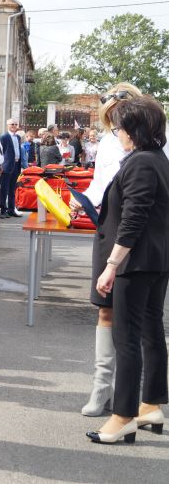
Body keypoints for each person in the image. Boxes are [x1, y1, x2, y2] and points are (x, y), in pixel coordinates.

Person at [87, 96, 169, 444]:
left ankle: (123, 416)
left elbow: (133, 219)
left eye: (120, 127)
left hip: (135, 263)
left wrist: (111, 265)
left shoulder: (141, 163)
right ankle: (150, 404)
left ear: (134, 129)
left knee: (127, 338)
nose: (117, 133)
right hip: (154, 260)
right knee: (150, 330)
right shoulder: (157, 159)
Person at [73, 84, 144, 417]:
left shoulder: (157, 142)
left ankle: (130, 392)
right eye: (111, 119)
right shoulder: (106, 142)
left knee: (136, 315)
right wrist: (82, 199)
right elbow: (99, 184)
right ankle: (101, 388)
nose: (117, 125)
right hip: (109, 227)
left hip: (140, 233)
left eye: (120, 117)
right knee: (105, 309)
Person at [0, 118, 22, 218]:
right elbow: (1, 152)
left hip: (16, 165)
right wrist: (1, 165)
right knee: (4, 189)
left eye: (15, 124)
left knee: (12, 189)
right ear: (7, 125)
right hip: (7, 166)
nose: (14, 126)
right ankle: (3, 210)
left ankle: (11, 209)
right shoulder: (4, 137)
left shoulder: (18, 137)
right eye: (12, 124)